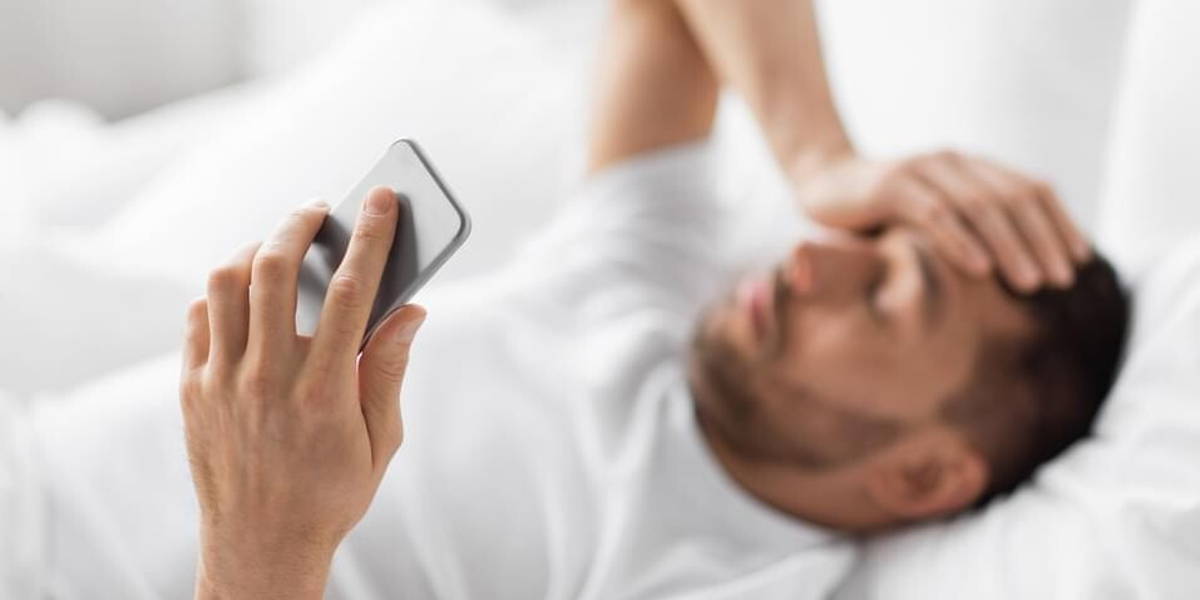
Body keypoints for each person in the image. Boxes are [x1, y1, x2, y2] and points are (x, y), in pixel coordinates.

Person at [178, 0, 1129, 598]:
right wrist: (820, 156)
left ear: (924, 476)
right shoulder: (654, 287)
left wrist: (264, 548)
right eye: (867, 243)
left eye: (884, 296)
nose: (814, 260)